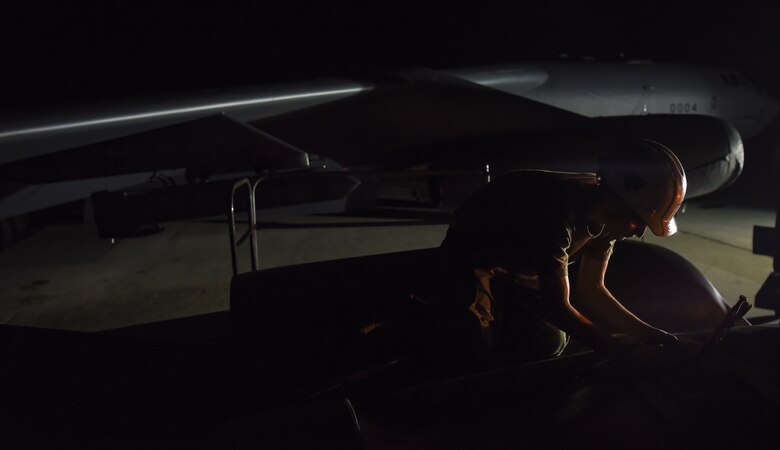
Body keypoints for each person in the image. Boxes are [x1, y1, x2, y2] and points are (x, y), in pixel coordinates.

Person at [429, 139, 686, 361]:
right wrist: (620, 352)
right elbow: (557, 308)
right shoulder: (556, 212)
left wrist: (654, 336)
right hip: (473, 257)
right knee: (475, 344)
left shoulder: (609, 221)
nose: (639, 231)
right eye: (639, 220)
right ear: (618, 202)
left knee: (549, 343)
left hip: (521, 265)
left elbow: (591, 290)